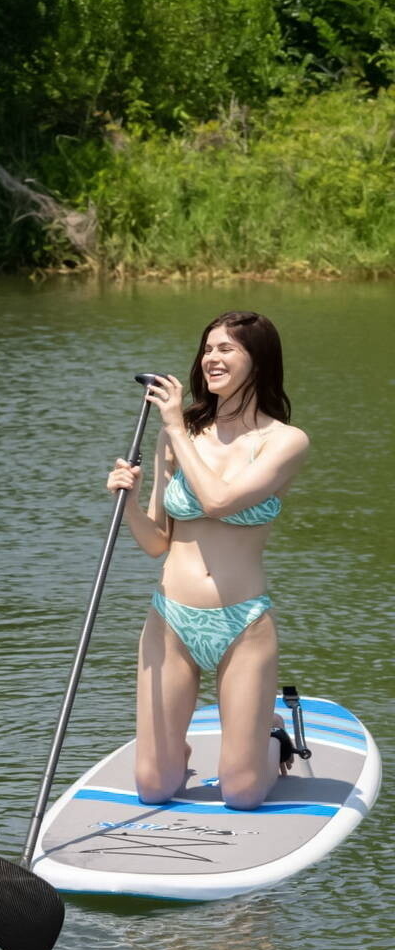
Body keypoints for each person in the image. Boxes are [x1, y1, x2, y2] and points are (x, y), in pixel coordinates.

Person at [107, 311, 309, 810]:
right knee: (154, 787)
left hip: (243, 623)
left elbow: (219, 501)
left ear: (258, 360)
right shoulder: (176, 437)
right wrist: (127, 501)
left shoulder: (283, 441)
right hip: (170, 619)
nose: (211, 358)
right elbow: (158, 542)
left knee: (241, 793)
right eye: (208, 348)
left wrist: (177, 426)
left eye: (227, 349)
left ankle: (272, 738)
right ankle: (176, 752)